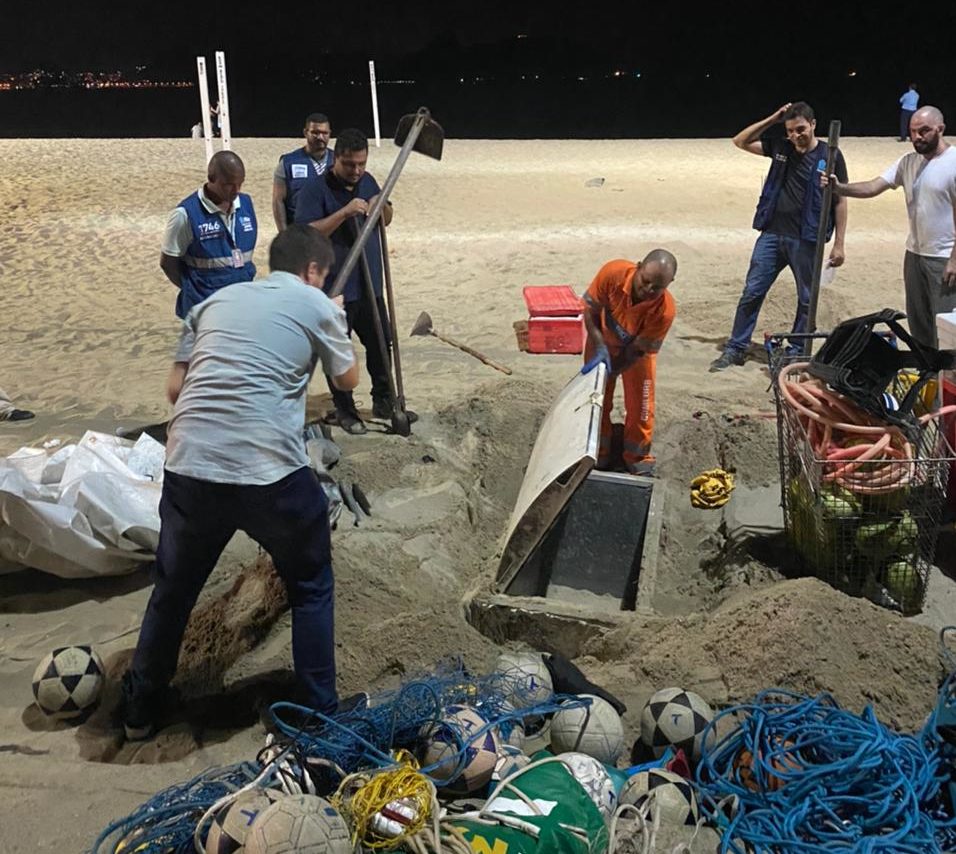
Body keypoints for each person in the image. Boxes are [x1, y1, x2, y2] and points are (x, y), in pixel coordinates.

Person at [120, 225, 360, 740]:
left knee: (174, 587)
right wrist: (335, 320)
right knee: (311, 583)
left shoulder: (214, 303)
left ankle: (140, 707)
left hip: (188, 465)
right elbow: (347, 381)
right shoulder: (315, 303)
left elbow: (175, 388)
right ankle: (320, 708)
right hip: (267, 471)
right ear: (314, 271)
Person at [709, 102, 848, 372]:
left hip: (807, 240)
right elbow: (740, 141)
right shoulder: (781, 147)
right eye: (790, 131)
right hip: (771, 235)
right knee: (752, 292)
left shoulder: (829, 155)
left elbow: (840, 200)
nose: (796, 135)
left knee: (807, 299)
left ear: (813, 125)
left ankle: (796, 350)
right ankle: (736, 347)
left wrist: (840, 243)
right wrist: (773, 118)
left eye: (801, 129)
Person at [823, 106, 956, 349]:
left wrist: (954, 259)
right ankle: (926, 376)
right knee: (919, 324)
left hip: (944, 258)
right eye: (913, 131)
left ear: (941, 129)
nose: (917, 137)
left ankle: (947, 382)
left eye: (924, 131)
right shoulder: (908, 162)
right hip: (914, 255)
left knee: (946, 326)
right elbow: (873, 186)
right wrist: (840, 188)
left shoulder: (953, 162)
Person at [294, 128, 395, 435]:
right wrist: (344, 212)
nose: (356, 171)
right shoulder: (315, 189)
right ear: (336, 159)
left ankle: (384, 402)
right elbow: (308, 233)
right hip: (335, 287)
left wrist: (383, 207)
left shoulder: (368, 181)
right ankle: (346, 410)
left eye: (361, 164)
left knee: (381, 344)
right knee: (339, 351)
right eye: (350, 164)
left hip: (369, 282)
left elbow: (386, 219)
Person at [580, 249, 678, 476]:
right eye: (645, 281)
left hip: (635, 352)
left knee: (642, 405)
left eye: (657, 288)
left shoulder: (664, 311)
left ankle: (637, 457)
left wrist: (615, 369)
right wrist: (601, 347)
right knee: (595, 397)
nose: (648, 290)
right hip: (601, 338)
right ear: (639, 266)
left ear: (669, 284)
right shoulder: (612, 274)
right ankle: (598, 453)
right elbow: (590, 311)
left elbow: (637, 350)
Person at [160, 151, 258, 319]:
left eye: (240, 183)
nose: (236, 190)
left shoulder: (246, 204)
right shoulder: (184, 215)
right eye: (228, 184)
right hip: (203, 312)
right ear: (211, 177)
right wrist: (193, 290)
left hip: (241, 306)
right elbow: (168, 263)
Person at [273, 113, 335, 230]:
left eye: (324, 133)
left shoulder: (338, 161)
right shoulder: (288, 162)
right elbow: (278, 200)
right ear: (306, 132)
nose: (320, 137)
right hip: (300, 232)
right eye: (315, 133)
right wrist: (284, 233)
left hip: (332, 231)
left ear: (330, 134)